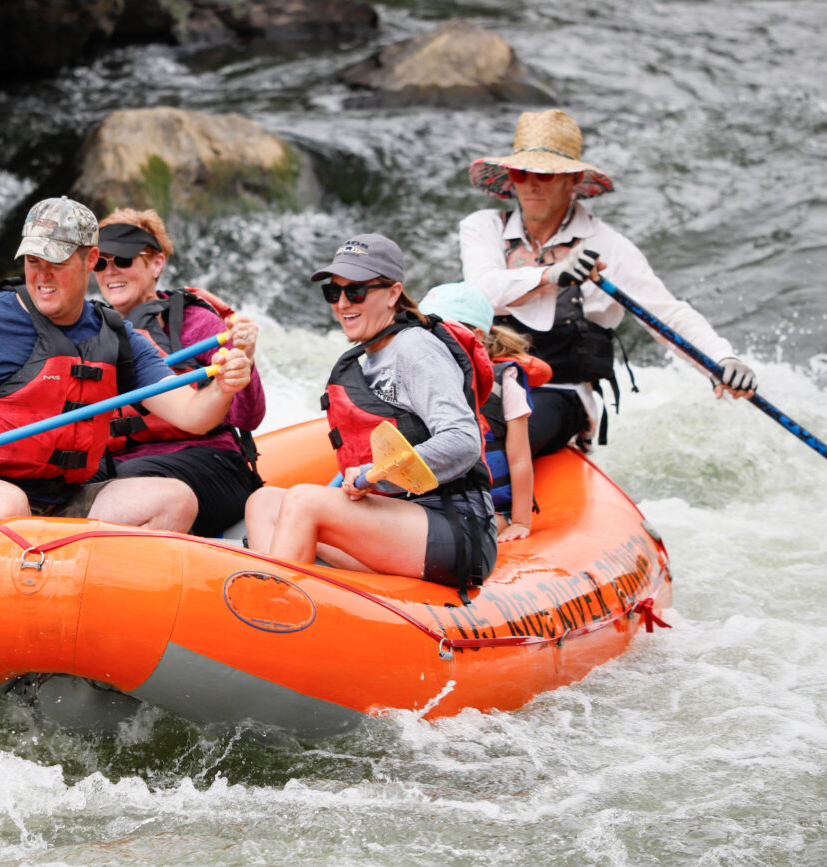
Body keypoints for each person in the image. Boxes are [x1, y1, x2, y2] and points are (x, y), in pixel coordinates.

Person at [0, 196, 253, 530]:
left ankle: (106, 595)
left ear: (89, 259)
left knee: (175, 500)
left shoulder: (116, 337)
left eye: (56, 262)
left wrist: (222, 388)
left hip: (63, 496)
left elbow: (192, 414)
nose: (42, 275)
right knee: (6, 501)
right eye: (33, 261)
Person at [459, 109, 758, 456]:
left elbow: (668, 315)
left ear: (572, 181)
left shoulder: (610, 247)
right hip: (486, 382)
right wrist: (552, 275)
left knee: (494, 440)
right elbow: (481, 291)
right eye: (521, 172)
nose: (530, 183)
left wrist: (723, 361)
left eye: (545, 174)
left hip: (561, 394)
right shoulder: (483, 226)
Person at [244, 234, 497, 592]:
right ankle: (289, 600)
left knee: (303, 501)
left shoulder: (416, 349)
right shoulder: (372, 354)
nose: (343, 303)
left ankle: (273, 608)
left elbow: (463, 440)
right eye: (334, 293)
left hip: (454, 525)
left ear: (393, 293)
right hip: (397, 521)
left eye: (357, 292)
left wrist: (373, 476)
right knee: (262, 502)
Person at [92, 208, 266, 536]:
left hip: (211, 467)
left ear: (157, 262)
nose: (110, 271)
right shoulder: (88, 332)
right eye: (101, 262)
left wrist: (245, 359)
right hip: (125, 463)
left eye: (124, 260)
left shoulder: (196, 323)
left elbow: (248, 417)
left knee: (128, 478)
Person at [420, 282, 550, 542]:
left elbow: (519, 459)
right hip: (433, 503)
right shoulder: (421, 378)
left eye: (439, 330)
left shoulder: (505, 385)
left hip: (490, 510)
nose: (428, 339)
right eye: (422, 329)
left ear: (476, 336)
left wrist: (521, 521)